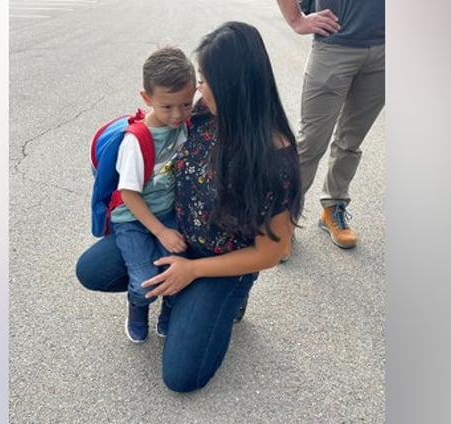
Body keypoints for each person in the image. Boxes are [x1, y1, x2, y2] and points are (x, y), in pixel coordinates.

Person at [75, 21, 302, 392]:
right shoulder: (200, 115)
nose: (198, 88)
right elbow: (156, 120)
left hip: (219, 261)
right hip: (174, 234)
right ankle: (186, 297)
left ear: (233, 86)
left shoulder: (274, 158)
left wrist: (193, 271)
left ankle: (231, 295)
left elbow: (273, 251)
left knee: (181, 377)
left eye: (205, 79)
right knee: (92, 271)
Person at [276, 0, 385, 249]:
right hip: (335, 46)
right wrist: (297, 20)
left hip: (385, 50)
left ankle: (333, 206)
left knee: (350, 141)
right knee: (311, 142)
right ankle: (283, 217)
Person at [109, 47, 195, 343]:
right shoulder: (137, 140)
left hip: (166, 210)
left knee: (175, 264)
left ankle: (169, 312)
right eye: (167, 107)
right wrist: (160, 231)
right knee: (145, 280)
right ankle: (138, 307)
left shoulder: (183, 125)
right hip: (133, 217)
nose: (177, 114)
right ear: (146, 99)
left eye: (186, 104)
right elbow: (129, 194)